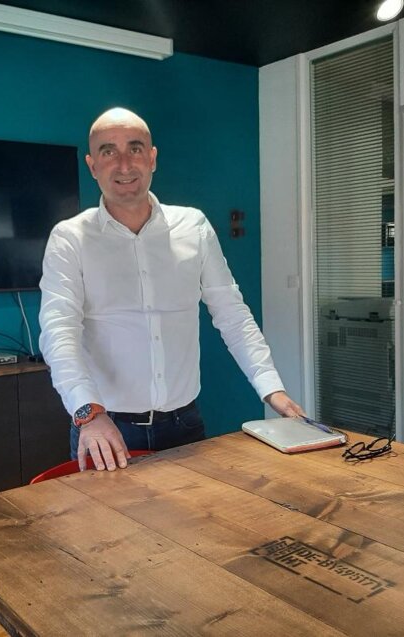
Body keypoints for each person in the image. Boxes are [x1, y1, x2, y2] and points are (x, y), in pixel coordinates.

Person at [39, 108, 303, 472]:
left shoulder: (193, 226)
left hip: (185, 426)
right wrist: (89, 414)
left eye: (135, 148)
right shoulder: (69, 239)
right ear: (92, 165)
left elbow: (232, 314)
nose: (124, 164)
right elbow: (59, 335)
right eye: (108, 151)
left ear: (152, 158)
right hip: (105, 430)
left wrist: (272, 389)